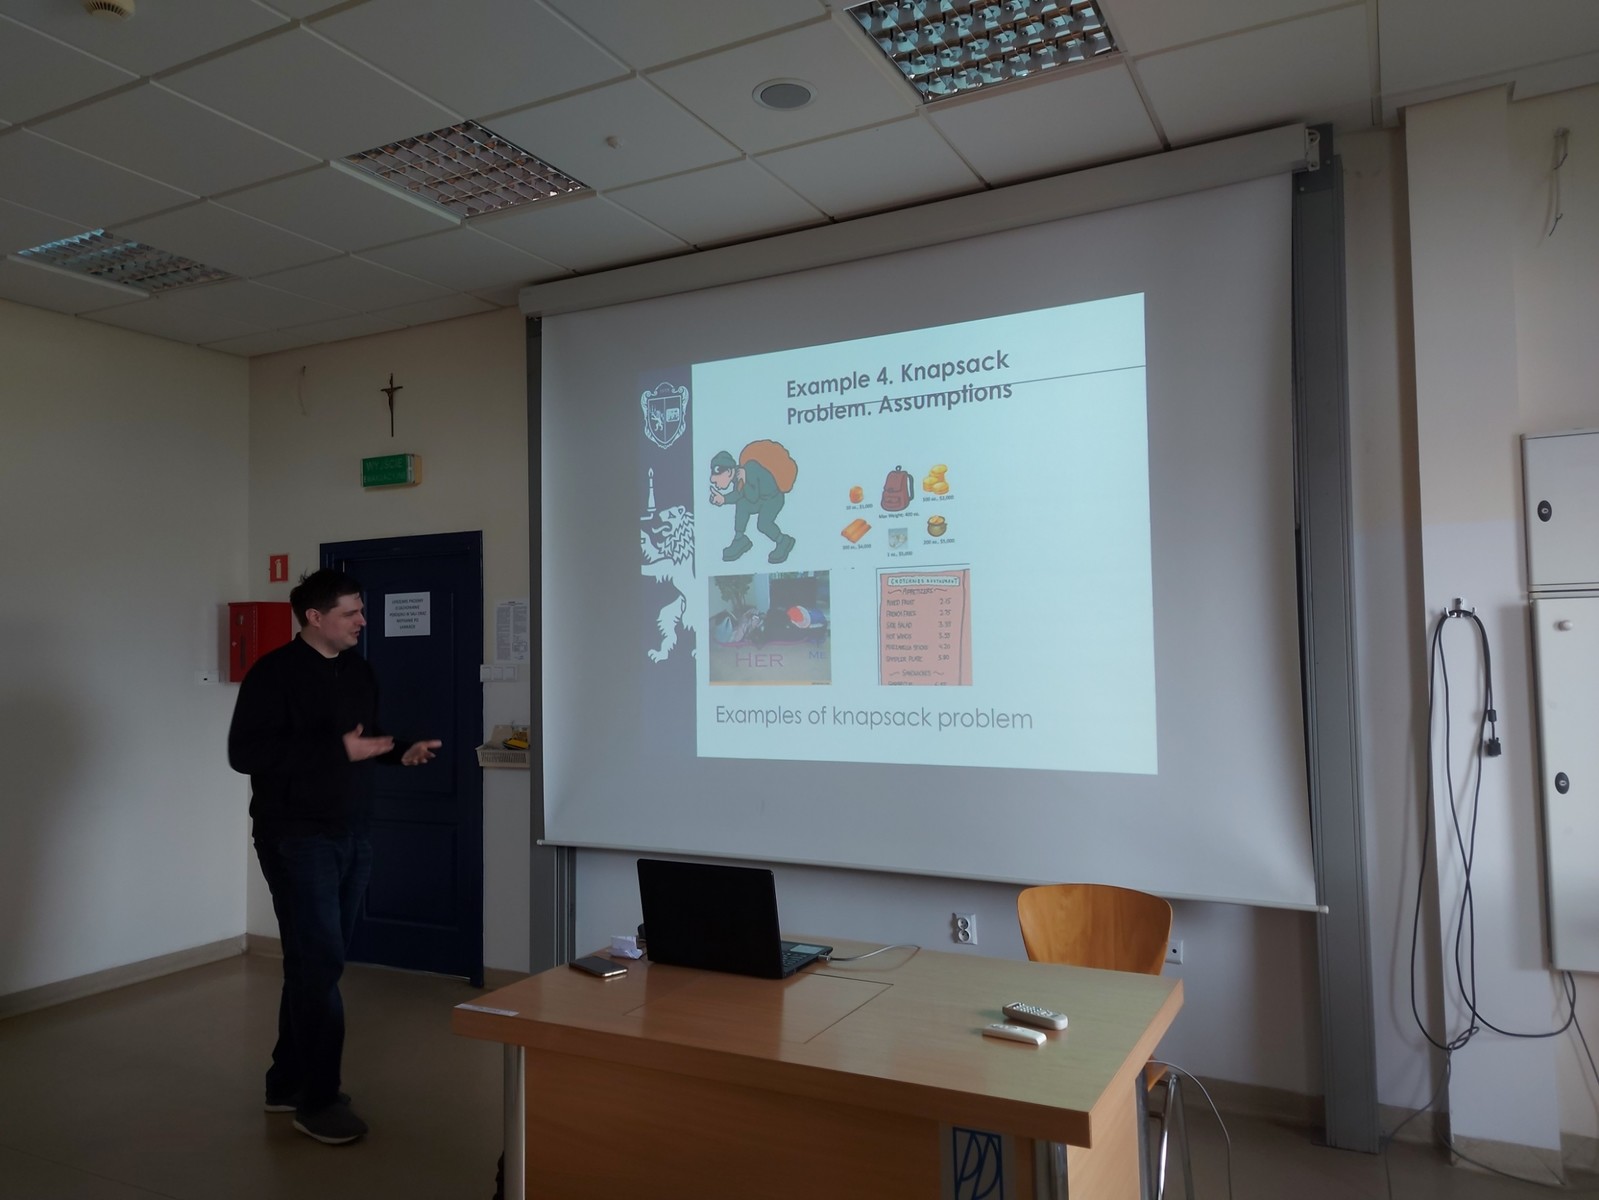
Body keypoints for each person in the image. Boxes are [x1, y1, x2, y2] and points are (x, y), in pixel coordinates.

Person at [227, 569, 441, 1145]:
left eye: (362, 611)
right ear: (314, 617)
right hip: (295, 837)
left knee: (313, 964)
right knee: (319, 965)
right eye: (352, 612)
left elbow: (365, 741)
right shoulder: (273, 673)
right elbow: (244, 753)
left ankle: (285, 1083)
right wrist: (334, 748)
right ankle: (317, 1102)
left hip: (353, 832)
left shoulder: (359, 670)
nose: (363, 621)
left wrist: (399, 752)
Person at [708, 443, 797, 564]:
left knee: (763, 524)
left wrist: (744, 480)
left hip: (773, 499)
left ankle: (783, 541)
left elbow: (753, 497)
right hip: (761, 499)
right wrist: (723, 499)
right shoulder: (738, 476)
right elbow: (739, 494)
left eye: (716, 480)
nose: (716, 484)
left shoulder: (749, 469)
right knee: (742, 504)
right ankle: (739, 539)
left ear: (728, 471)